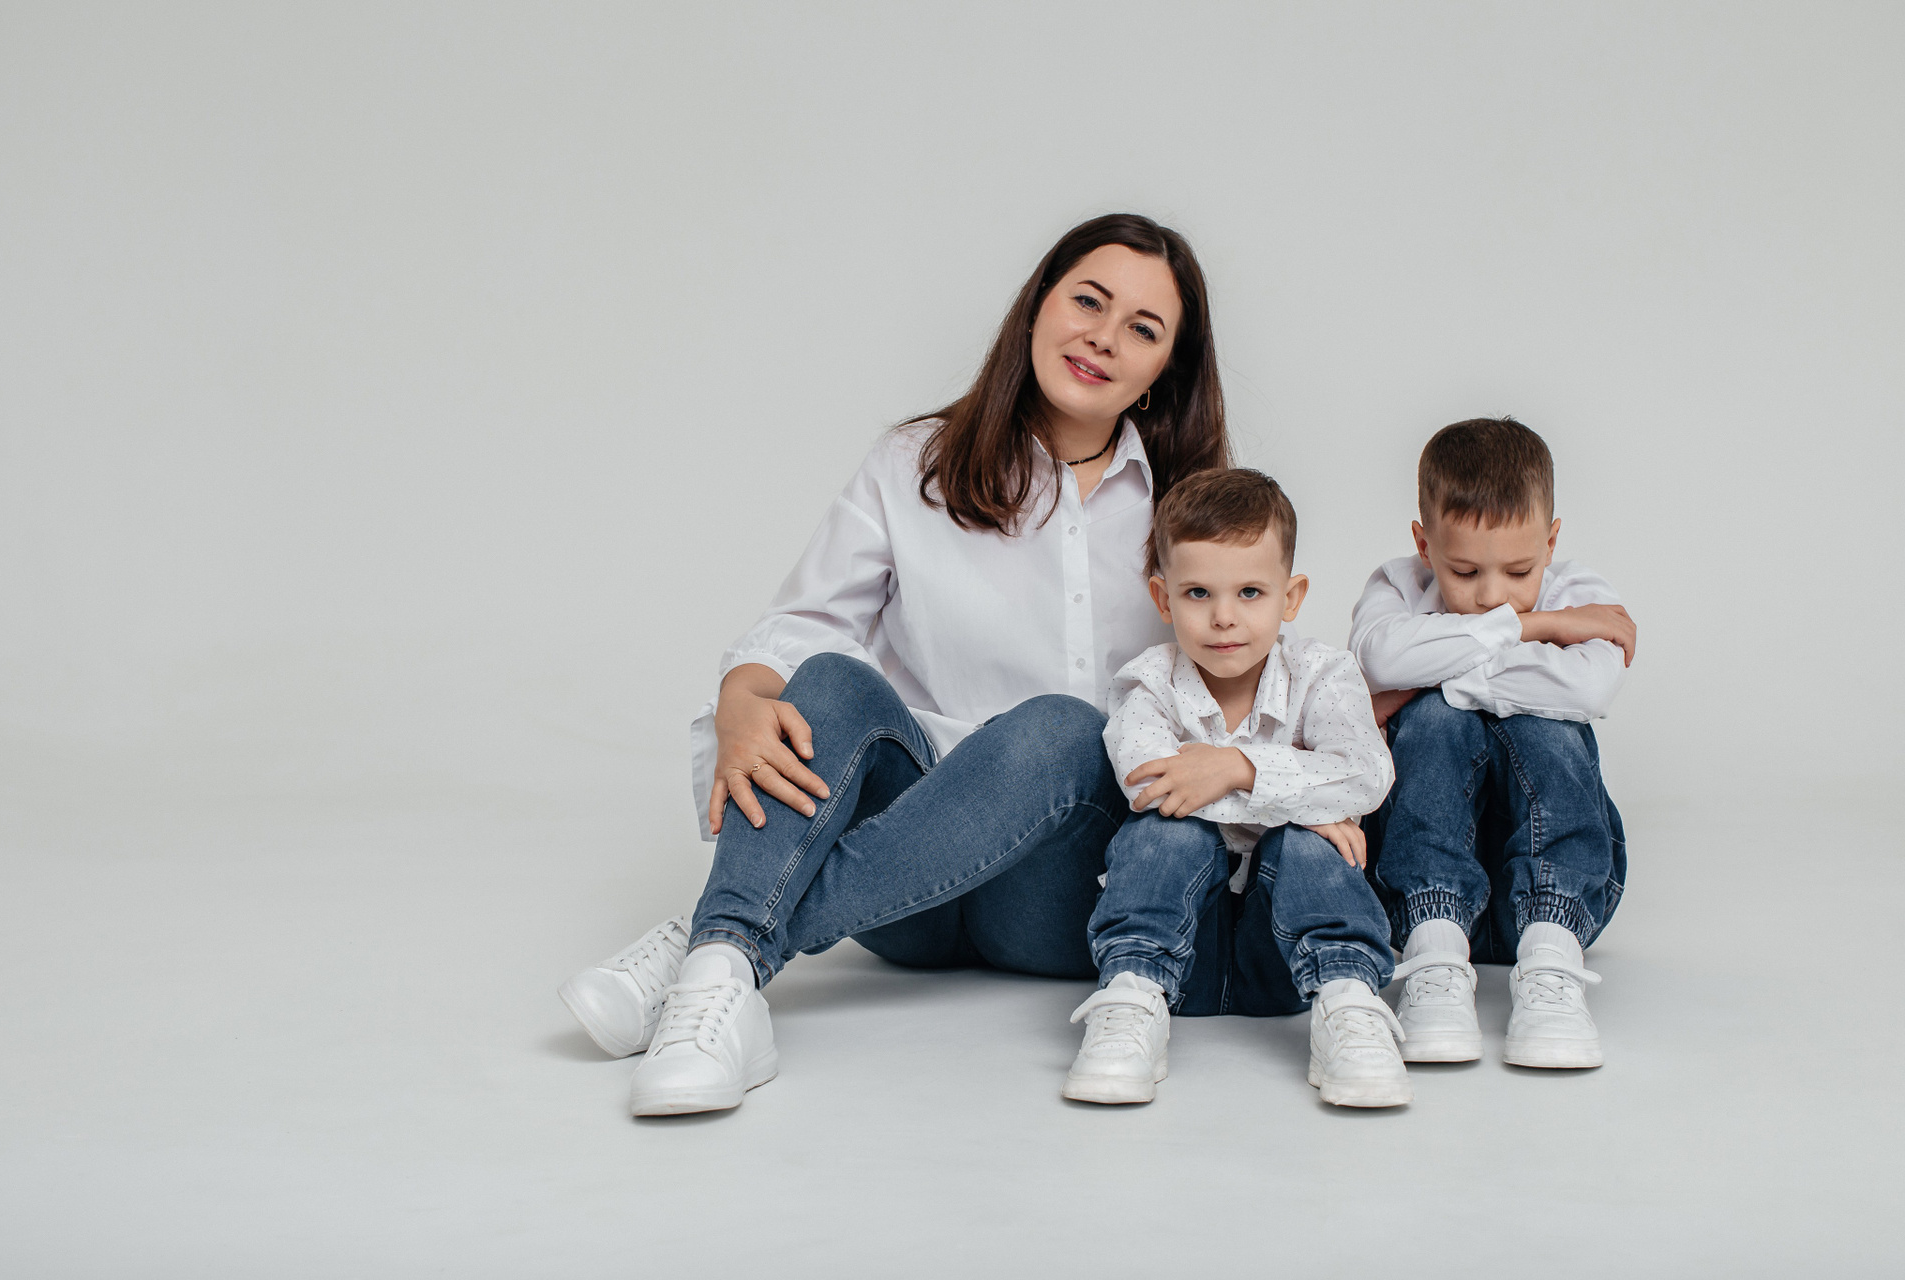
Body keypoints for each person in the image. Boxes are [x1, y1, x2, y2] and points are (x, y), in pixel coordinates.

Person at [557, 213, 1232, 1116]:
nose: (1104, 338)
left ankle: (713, 948)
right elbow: (801, 626)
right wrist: (741, 696)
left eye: (1142, 329)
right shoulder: (916, 462)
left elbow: (1250, 686)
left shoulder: (1197, 514)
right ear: (1038, 305)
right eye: (1088, 302)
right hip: (906, 903)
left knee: (1065, 730)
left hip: (1063, 891)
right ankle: (721, 988)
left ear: (1164, 372)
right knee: (830, 682)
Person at [1064, 468, 1405, 1109]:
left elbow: (1368, 774)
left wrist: (1237, 770)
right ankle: (1131, 998)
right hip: (1180, 951)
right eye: (1198, 593)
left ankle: (1348, 1002)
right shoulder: (1146, 685)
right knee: (1164, 830)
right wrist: (1303, 797)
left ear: (1291, 597)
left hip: (1287, 958)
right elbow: (1154, 787)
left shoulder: (1323, 673)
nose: (1224, 617)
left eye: (1250, 592)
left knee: (1311, 846)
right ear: (1163, 598)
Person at [1349, 417, 1636, 1069]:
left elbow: (1588, 690)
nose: (1490, 596)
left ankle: (1551, 960)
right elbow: (1378, 660)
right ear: (1424, 544)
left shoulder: (1582, 593)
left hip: (1558, 893)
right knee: (1436, 721)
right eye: (1465, 570)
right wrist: (1536, 628)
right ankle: (1435, 959)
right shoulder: (1397, 586)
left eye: (1518, 571)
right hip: (1415, 894)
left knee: (1543, 721)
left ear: (1551, 542)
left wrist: (1429, 674)